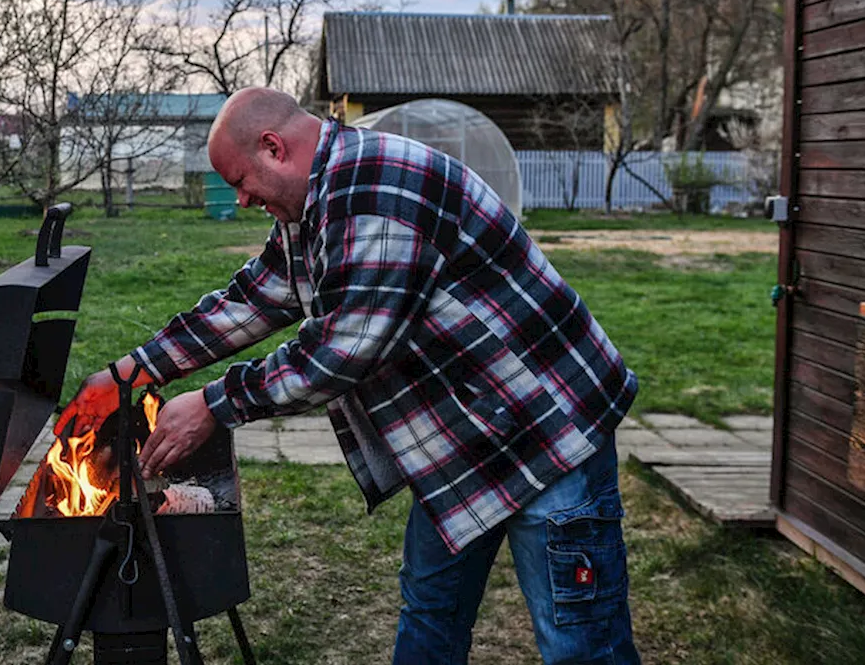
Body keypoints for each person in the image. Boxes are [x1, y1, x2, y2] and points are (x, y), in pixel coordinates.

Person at [60, 86, 641, 665]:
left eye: (241, 182)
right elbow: (254, 298)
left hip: (547, 430)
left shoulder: (377, 192)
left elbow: (339, 352)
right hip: (469, 438)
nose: (239, 200)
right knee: (431, 608)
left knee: (580, 640)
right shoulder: (319, 197)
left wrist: (214, 405)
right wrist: (132, 370)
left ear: (273, 148)